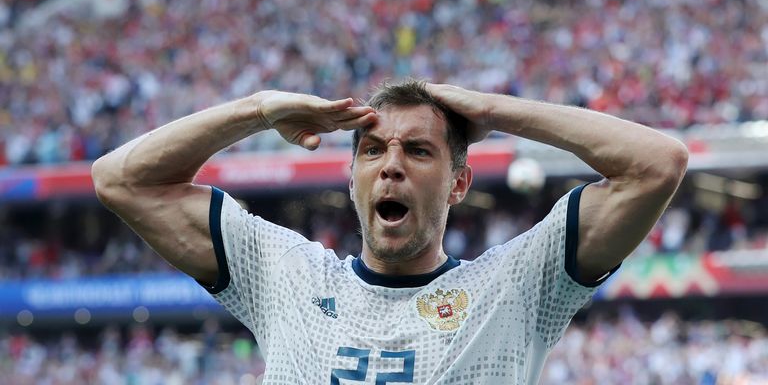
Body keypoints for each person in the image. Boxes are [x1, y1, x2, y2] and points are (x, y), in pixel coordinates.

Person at [92, 79, 688, 383]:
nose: (392, 164)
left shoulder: (515, 288)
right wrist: (256, 109)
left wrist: (495, 110)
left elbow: (657, 164)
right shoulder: (283, 274)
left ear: (459, 183)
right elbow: (121, 180)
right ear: (353, 178)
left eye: (420, 151)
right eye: (372, 150)